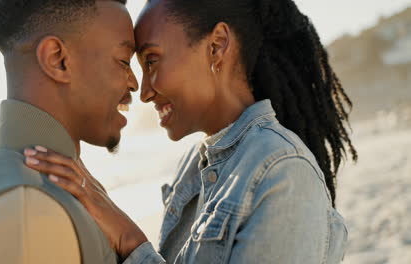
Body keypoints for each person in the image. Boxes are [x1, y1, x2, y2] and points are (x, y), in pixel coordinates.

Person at [23, 0, 358, 263]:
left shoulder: (284, 171)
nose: (144, 92)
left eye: (152, 61)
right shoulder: (193, 169)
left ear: (216, 46)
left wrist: (130, 239)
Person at [0, 0, 144, 263]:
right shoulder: (28, 214)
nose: (134, 82)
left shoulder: (47, 193)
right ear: (57, 60)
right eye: (123, 61)